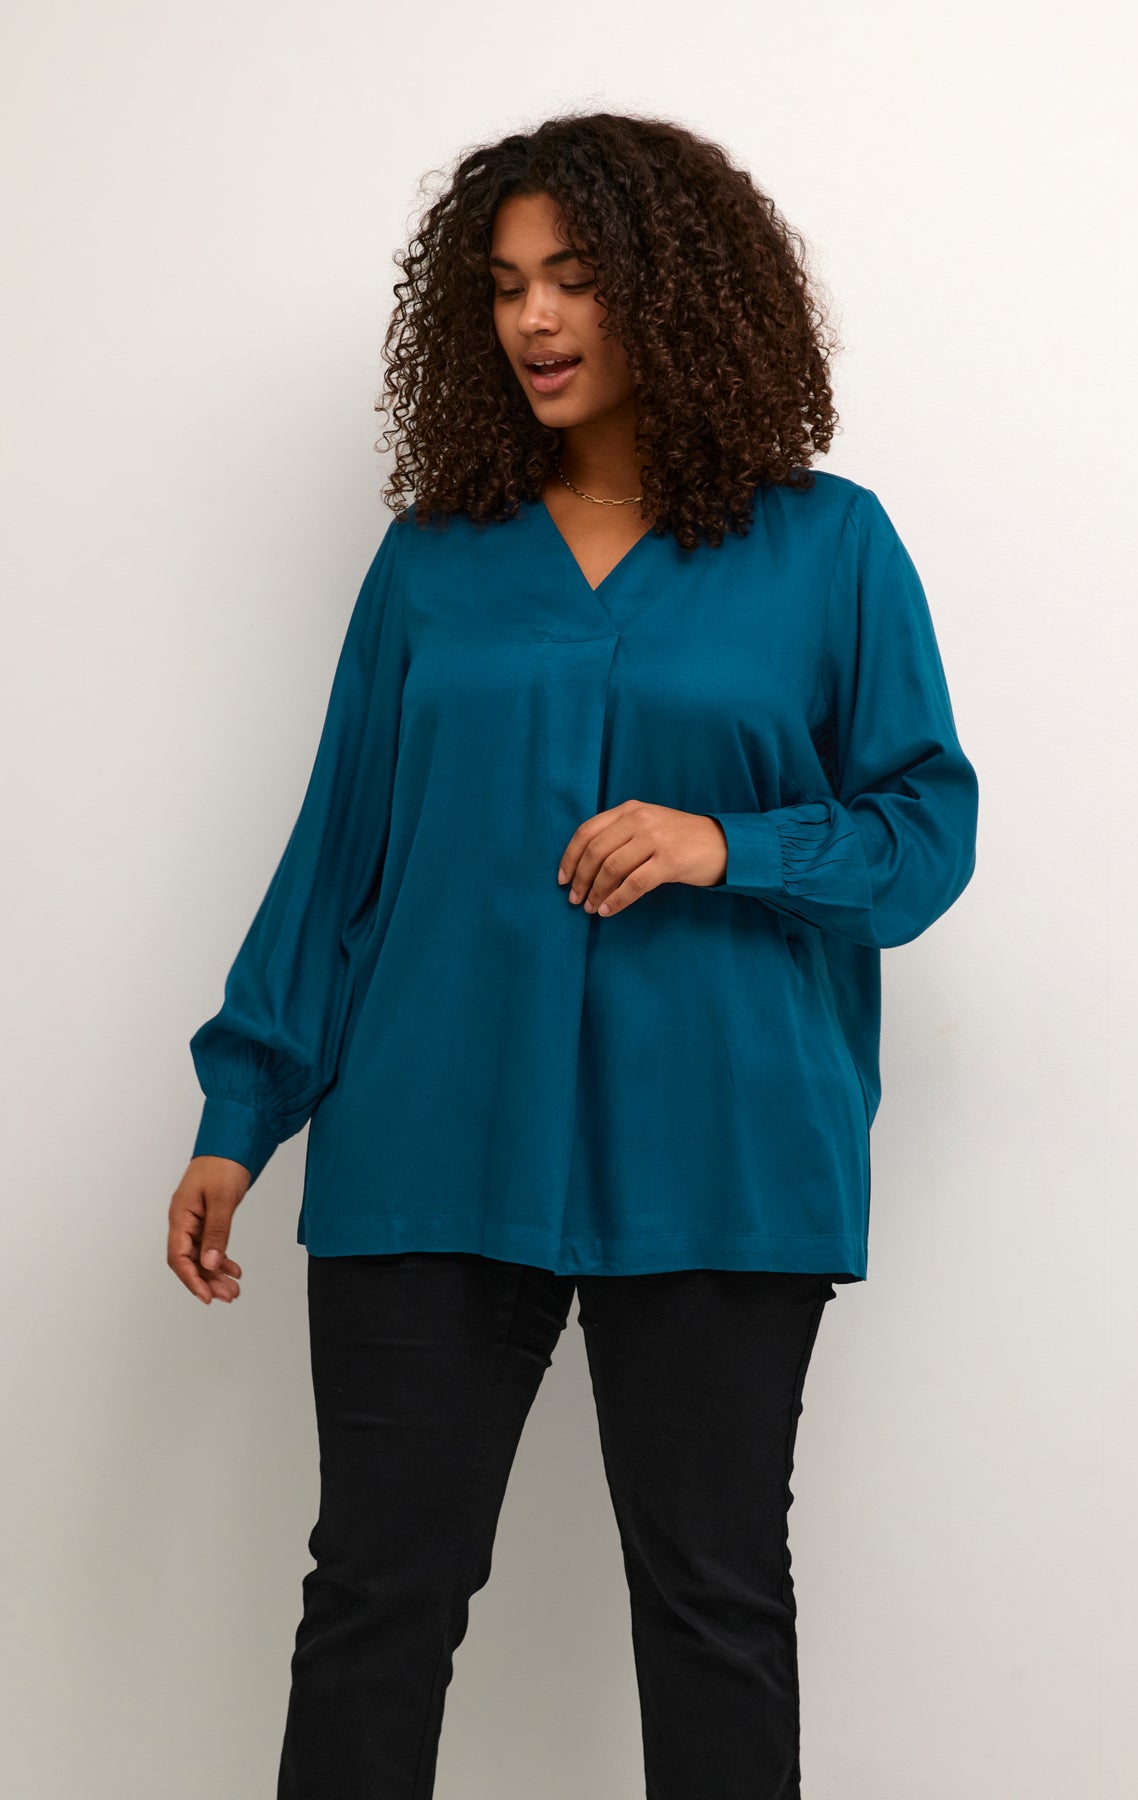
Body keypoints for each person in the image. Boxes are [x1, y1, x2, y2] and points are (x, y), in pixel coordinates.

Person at [167, 110, 979, 1800]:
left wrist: (727, 843)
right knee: (375, 1600)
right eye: (504, 284)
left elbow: (924, 838)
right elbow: (341, 857)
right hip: (431, 1139)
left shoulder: (830, 547)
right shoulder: (432, 562)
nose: (532, 318)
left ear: (677, 293)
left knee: (714, 1607)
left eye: (575, 277)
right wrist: (242, 1112)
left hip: (722, 1153)